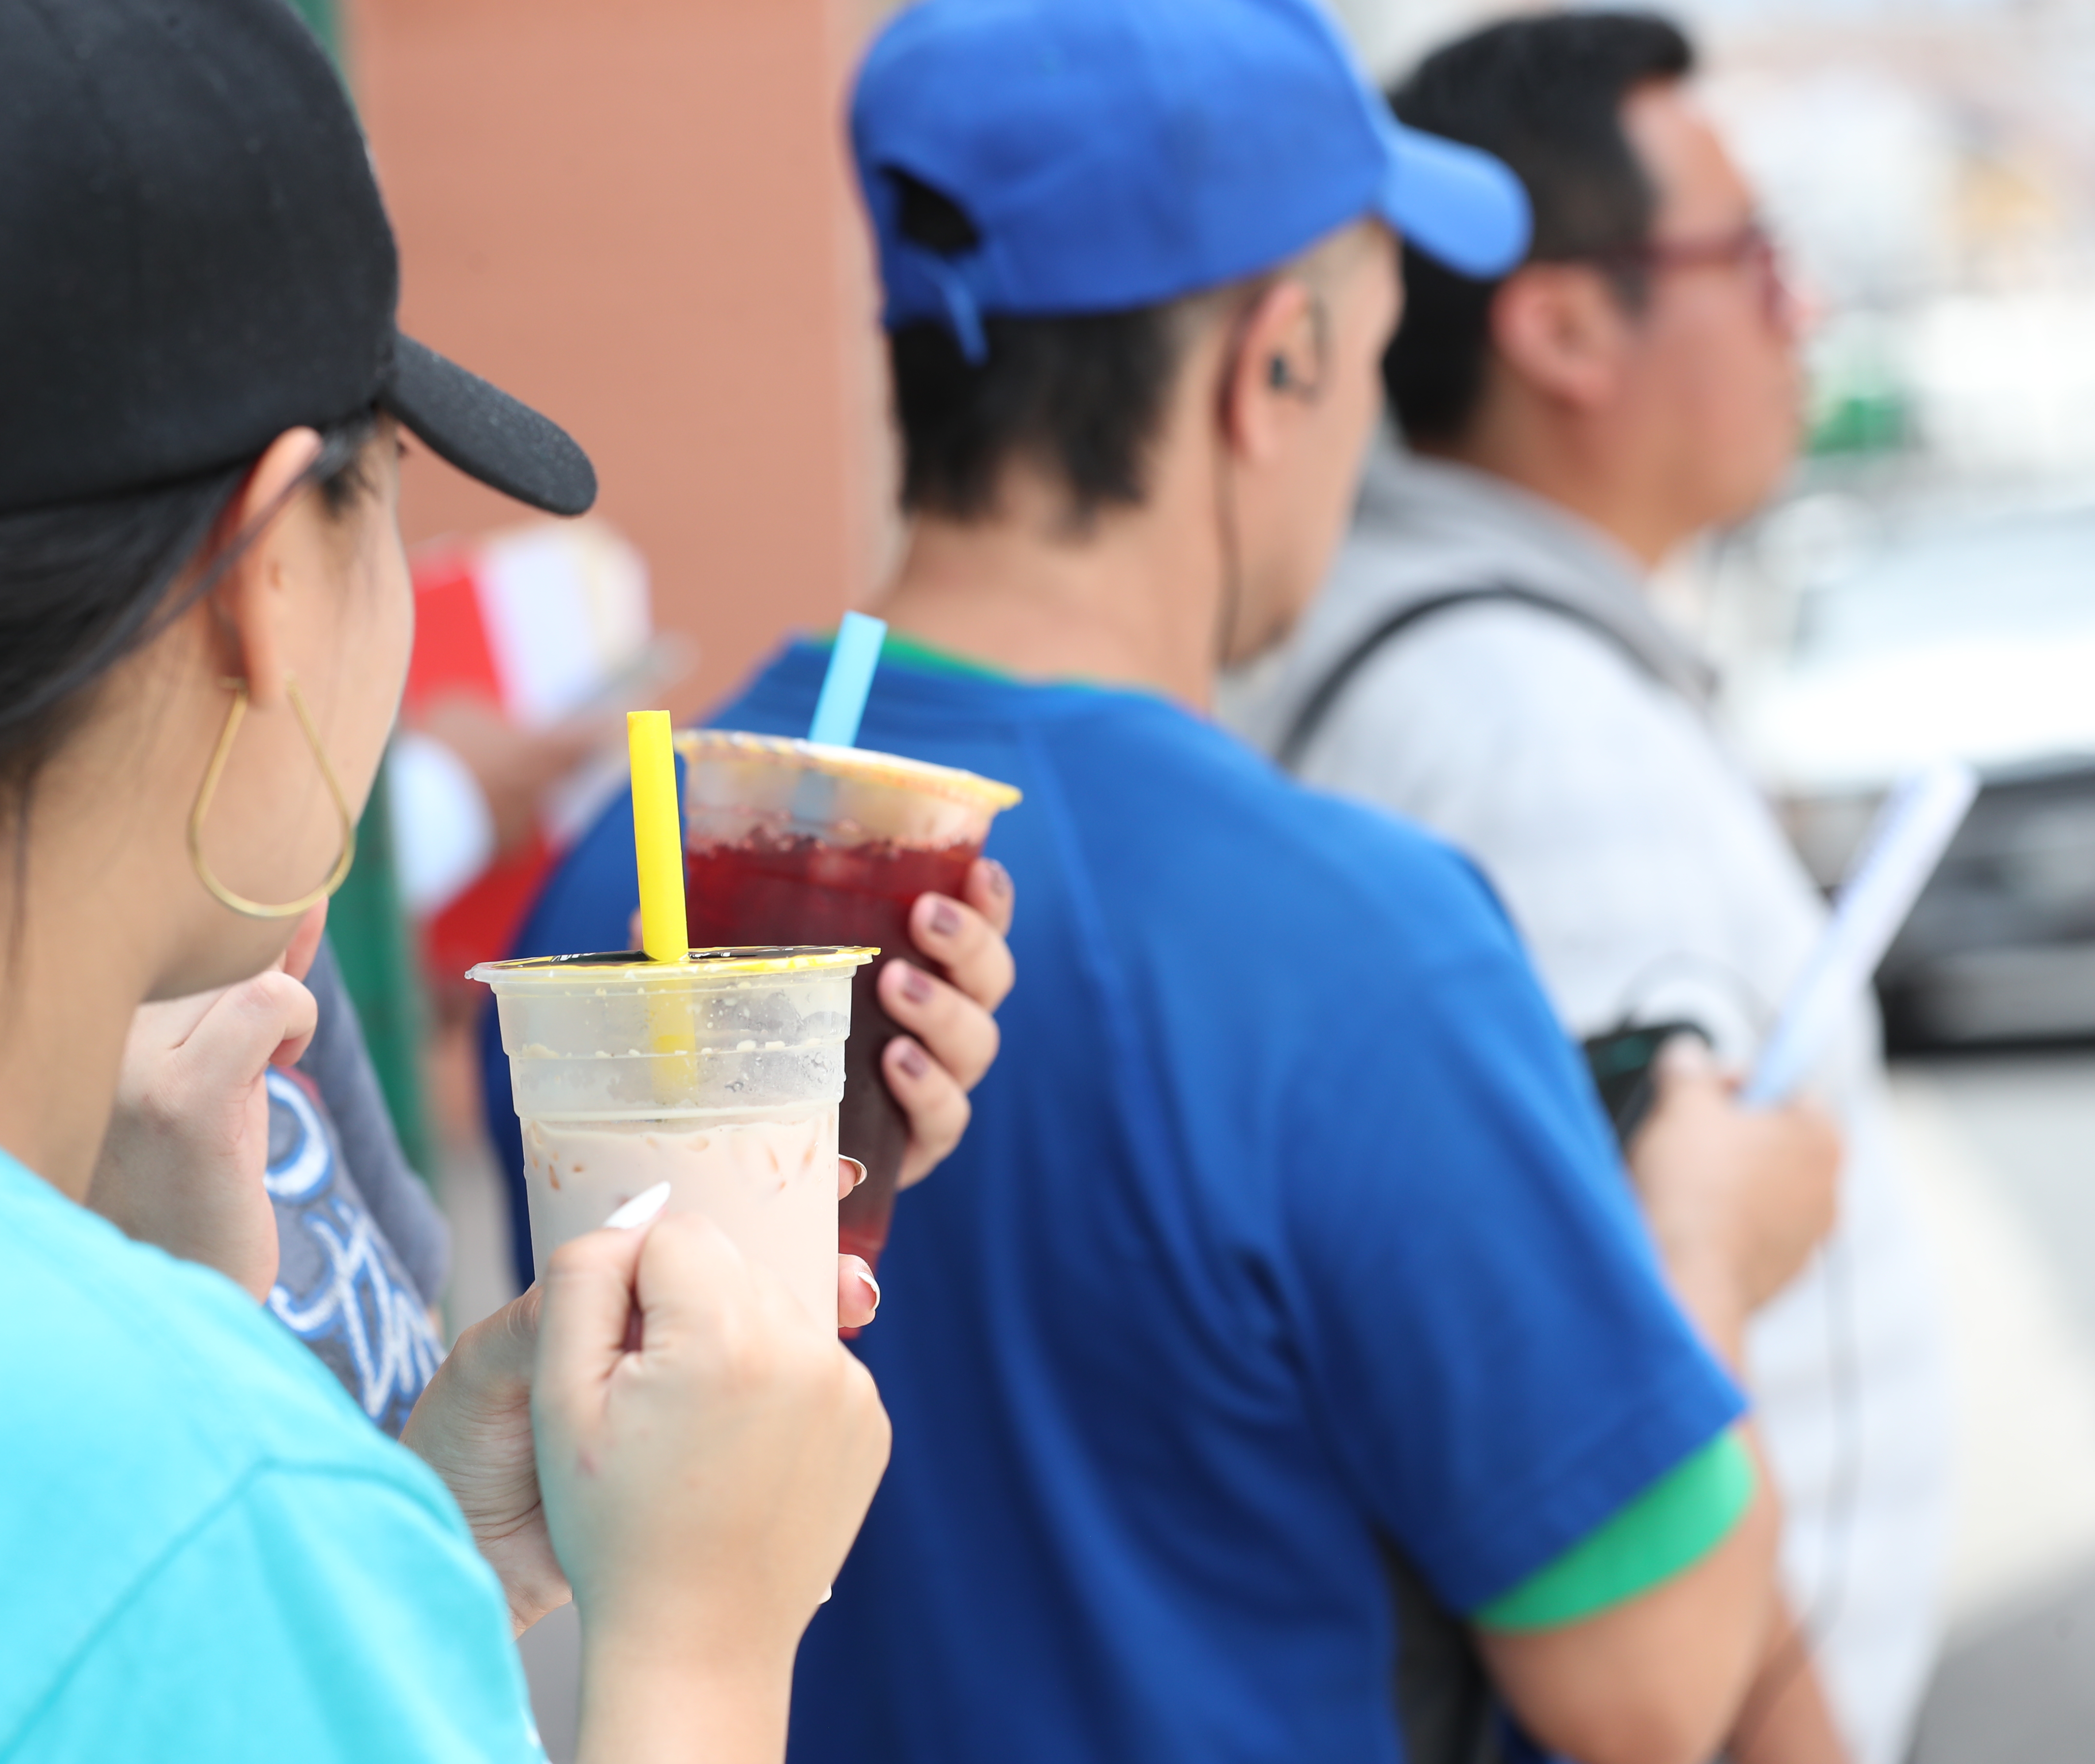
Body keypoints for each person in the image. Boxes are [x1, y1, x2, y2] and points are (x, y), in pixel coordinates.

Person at [0, 0, 891, 1757]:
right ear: (263, 580)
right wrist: (700, 1637)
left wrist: (396, 1532)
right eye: (393, 493)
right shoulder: (202, 1513)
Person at [493, 1, 1842, 1760]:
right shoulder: (1361, 946)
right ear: (1271, 368)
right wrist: (1710, 1248)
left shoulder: (629, 871)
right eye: (1360, 359)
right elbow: (1652, 1690)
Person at [1229, 16, 1949, 1760]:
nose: (1802, 315)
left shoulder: (1493, 674)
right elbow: (1599, 1371)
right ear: (1560, 326)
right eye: (1753, 258)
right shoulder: (1521, 739)